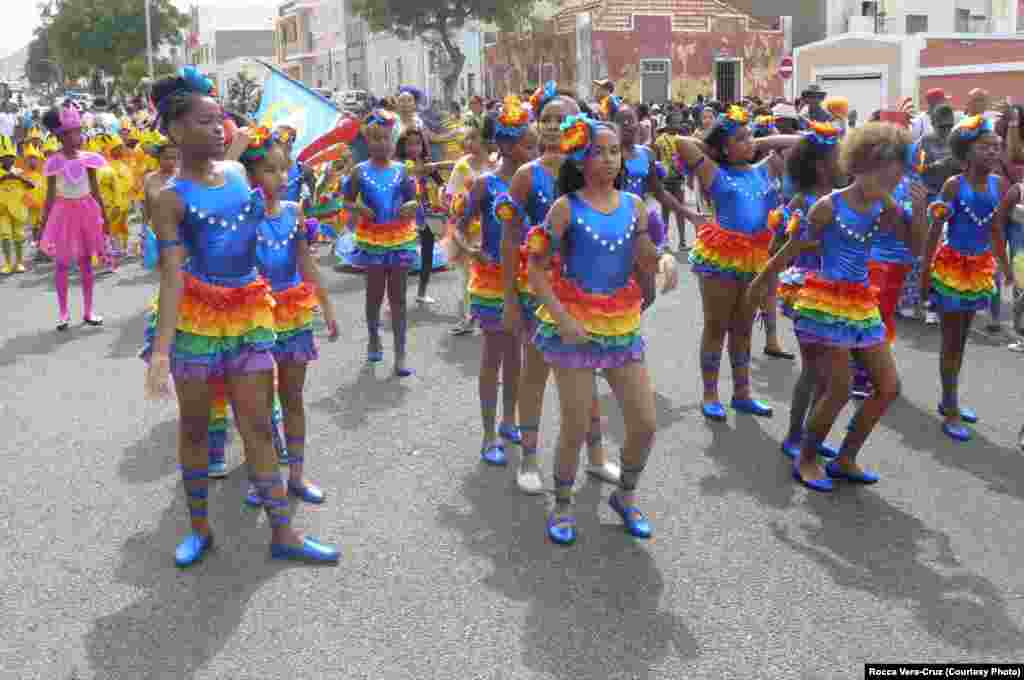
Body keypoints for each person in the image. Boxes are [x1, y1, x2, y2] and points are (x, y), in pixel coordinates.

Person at [142, 66, 338, 566]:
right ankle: (201, 531)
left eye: (220, 120)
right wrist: (160, 352)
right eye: (205, 121)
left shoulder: (236, 173)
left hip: (250, 314)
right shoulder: (168, 198)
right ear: (174, 130)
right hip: (198, 322)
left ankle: (283, 533)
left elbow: (250, 152)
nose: (217, 128)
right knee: (194, 429)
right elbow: (171, 276)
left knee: (256, 423)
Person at [526, 115, 660, 544]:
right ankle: (562, 505)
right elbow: (535, 269)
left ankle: (625, 496)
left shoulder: (634, 206)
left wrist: (660, 265)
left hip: (620, 324)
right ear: (581, 157)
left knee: (644, 422)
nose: (608, 159)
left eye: (615, 151)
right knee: (575, 421)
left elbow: (644, 257)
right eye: (598, 151)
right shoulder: (565, 208)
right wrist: (561, 319)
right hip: (575, 327)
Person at [759, 122, 911, 491]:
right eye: (891, 170)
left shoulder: (884, 206)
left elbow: (914, 246)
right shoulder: (828, 206)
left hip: (861, 301)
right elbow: (790, 250)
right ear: (863, 165)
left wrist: (909, 211)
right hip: (826, 301)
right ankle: (806, 457)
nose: (898, 177)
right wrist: (758, 284)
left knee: (888, 387)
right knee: (836, 388)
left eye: (899, 170)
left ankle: (845, 458)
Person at [236, 127, 340, 505]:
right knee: (258, 405)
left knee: (292, 397)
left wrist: (326, 306)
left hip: (293, 311)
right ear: (249, 176)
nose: (279, 178)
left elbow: (305, 262)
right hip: (254, 315)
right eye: (268, 170)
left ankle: (296, 474)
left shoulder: (295, 211)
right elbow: (225, 177)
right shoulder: (241, 214)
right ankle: (260, 476)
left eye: (283, 169)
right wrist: (239, 146)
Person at [676, 105, 800, 421]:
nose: (748, 142)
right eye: (740, 139)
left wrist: (756, 143)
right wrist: (719, 144)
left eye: (749, 137)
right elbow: (681, 142)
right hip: (721, 257)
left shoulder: (764, 169)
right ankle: (710, 394)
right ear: (724, 147)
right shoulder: (714, 172)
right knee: (717, 326)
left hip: (755, 257)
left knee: (744, 328)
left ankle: (742, 393)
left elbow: (799, 143)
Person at [454, 96, 536, 467]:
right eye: (528, 144)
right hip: (491, 281)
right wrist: (472, 249)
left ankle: (509, 422)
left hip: (525, 277)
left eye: (534, 145)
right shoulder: (485, 184)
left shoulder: (534, 181)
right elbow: (456, 224)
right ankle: (489, 434)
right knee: (493, 356)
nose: (533, 151)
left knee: (517, 355)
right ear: (504, 145)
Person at [922, 114, 1011, 442]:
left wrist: (1006, 268)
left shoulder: (998, 185)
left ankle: (949, 401)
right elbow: (934, 232)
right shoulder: (953, 186)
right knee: (951, 341)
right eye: (986, 147)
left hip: (979, 270)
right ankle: (951, 406)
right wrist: (924, 274)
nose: (993, 153)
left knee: (961, 341)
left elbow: (996, 228)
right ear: (967, 151)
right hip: (951, 270)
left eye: (997, 147)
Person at [341, 109, 420, 377]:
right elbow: (347, 201)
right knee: (374, 295)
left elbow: (413, 199)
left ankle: (401, 354)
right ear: (367, 141)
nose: (381, 145)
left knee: (398, 298)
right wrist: (360, 209)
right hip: (372, 239)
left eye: (386, 139)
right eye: (375, 140)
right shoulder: (358, 172)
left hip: (399, 239)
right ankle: (374, 338)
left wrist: (411, 205)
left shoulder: (402, 170)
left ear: (392, 140)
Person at [38, 104, 110, 330]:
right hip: (63, 214)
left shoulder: (90, 159)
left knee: (86, 262)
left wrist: (104, 217)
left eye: (80, 131)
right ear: (61, 136)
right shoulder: (54, 162)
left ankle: (88, 311)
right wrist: (44, 224)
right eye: (74, 133)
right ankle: (63, 313)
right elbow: (50, 197)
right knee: (61, 263)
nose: (79, 137)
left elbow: (95, 190)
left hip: (87, 212)